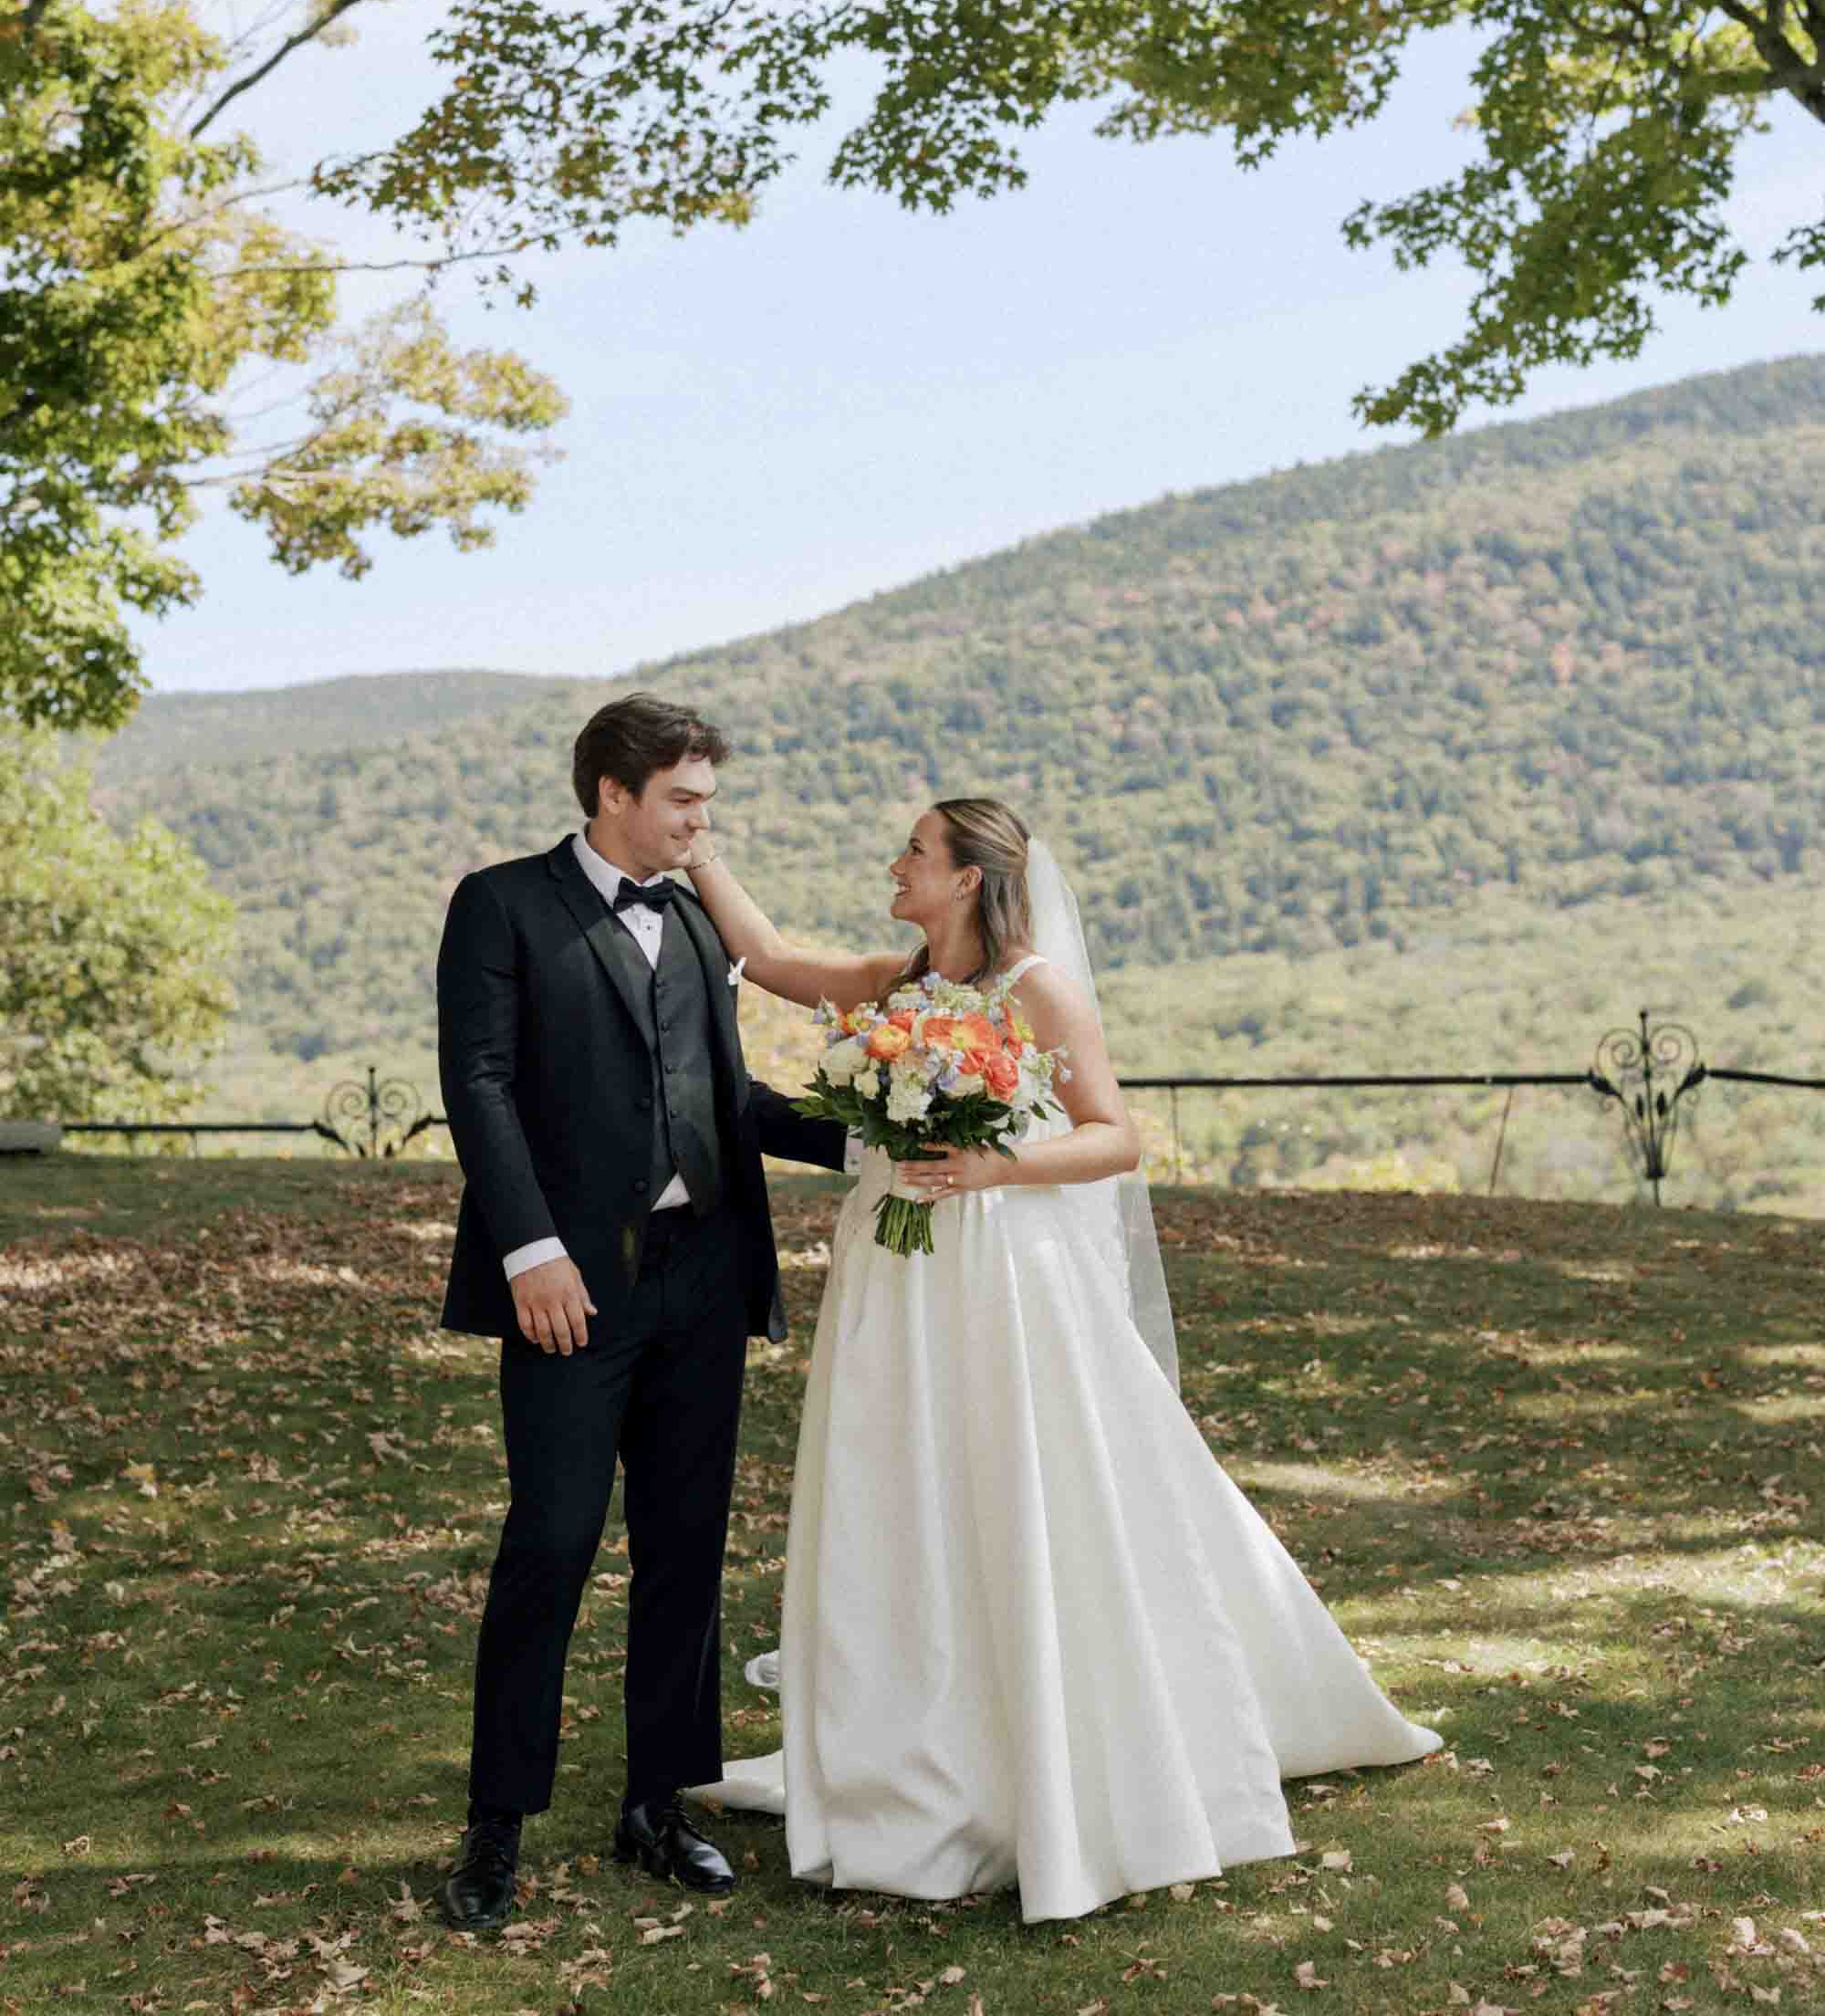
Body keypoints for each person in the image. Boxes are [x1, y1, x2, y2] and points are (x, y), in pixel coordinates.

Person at [681, 799, 1442, 1922]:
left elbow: (1113, 1134)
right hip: (893, 1271)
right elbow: (770, 958)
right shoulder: (896, 985)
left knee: (1014, 1481)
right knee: (902, 1484)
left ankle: (1045, 1740)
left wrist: (996, 1167)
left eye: (913, 852)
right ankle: (911, 1745)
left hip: (996, 1269)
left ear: (966, 879)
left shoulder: (1036, 988)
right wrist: (698, 853)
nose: (894, 864)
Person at [433, 694, 851, 1933]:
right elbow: (479, 1083)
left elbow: (729, 1093)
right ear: (612, 792)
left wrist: (875, 1139)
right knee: (552, 1542)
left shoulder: (694, 918)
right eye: (682, 801)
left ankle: (658, 1806)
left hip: (702, 1277)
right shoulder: (501, 905)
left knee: (686, 1547)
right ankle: (496, 1824)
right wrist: (531, 1252)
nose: (700, 824)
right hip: (569, 1286)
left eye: (706, 801)